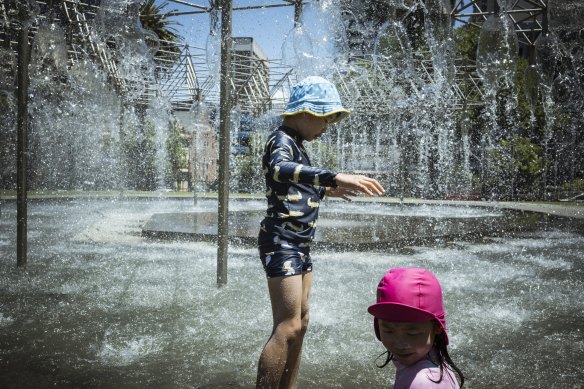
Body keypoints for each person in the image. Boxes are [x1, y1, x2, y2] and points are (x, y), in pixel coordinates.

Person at [256, 76, 385, 388]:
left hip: (300, 244)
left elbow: (292, 186)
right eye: (324, 120)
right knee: (286, 326)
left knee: (300, 322)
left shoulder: (297, 145)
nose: (326, 128)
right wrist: (335, 176)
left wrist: (326, 191)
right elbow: (278, 170)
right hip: (281, 242)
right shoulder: (281, 141)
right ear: (305, 112)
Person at [368, 267, 465, 388]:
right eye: (389, 331)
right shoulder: (434, 364)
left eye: (412, 333)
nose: (399, 344)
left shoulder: (422, 382)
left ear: (437, 327)